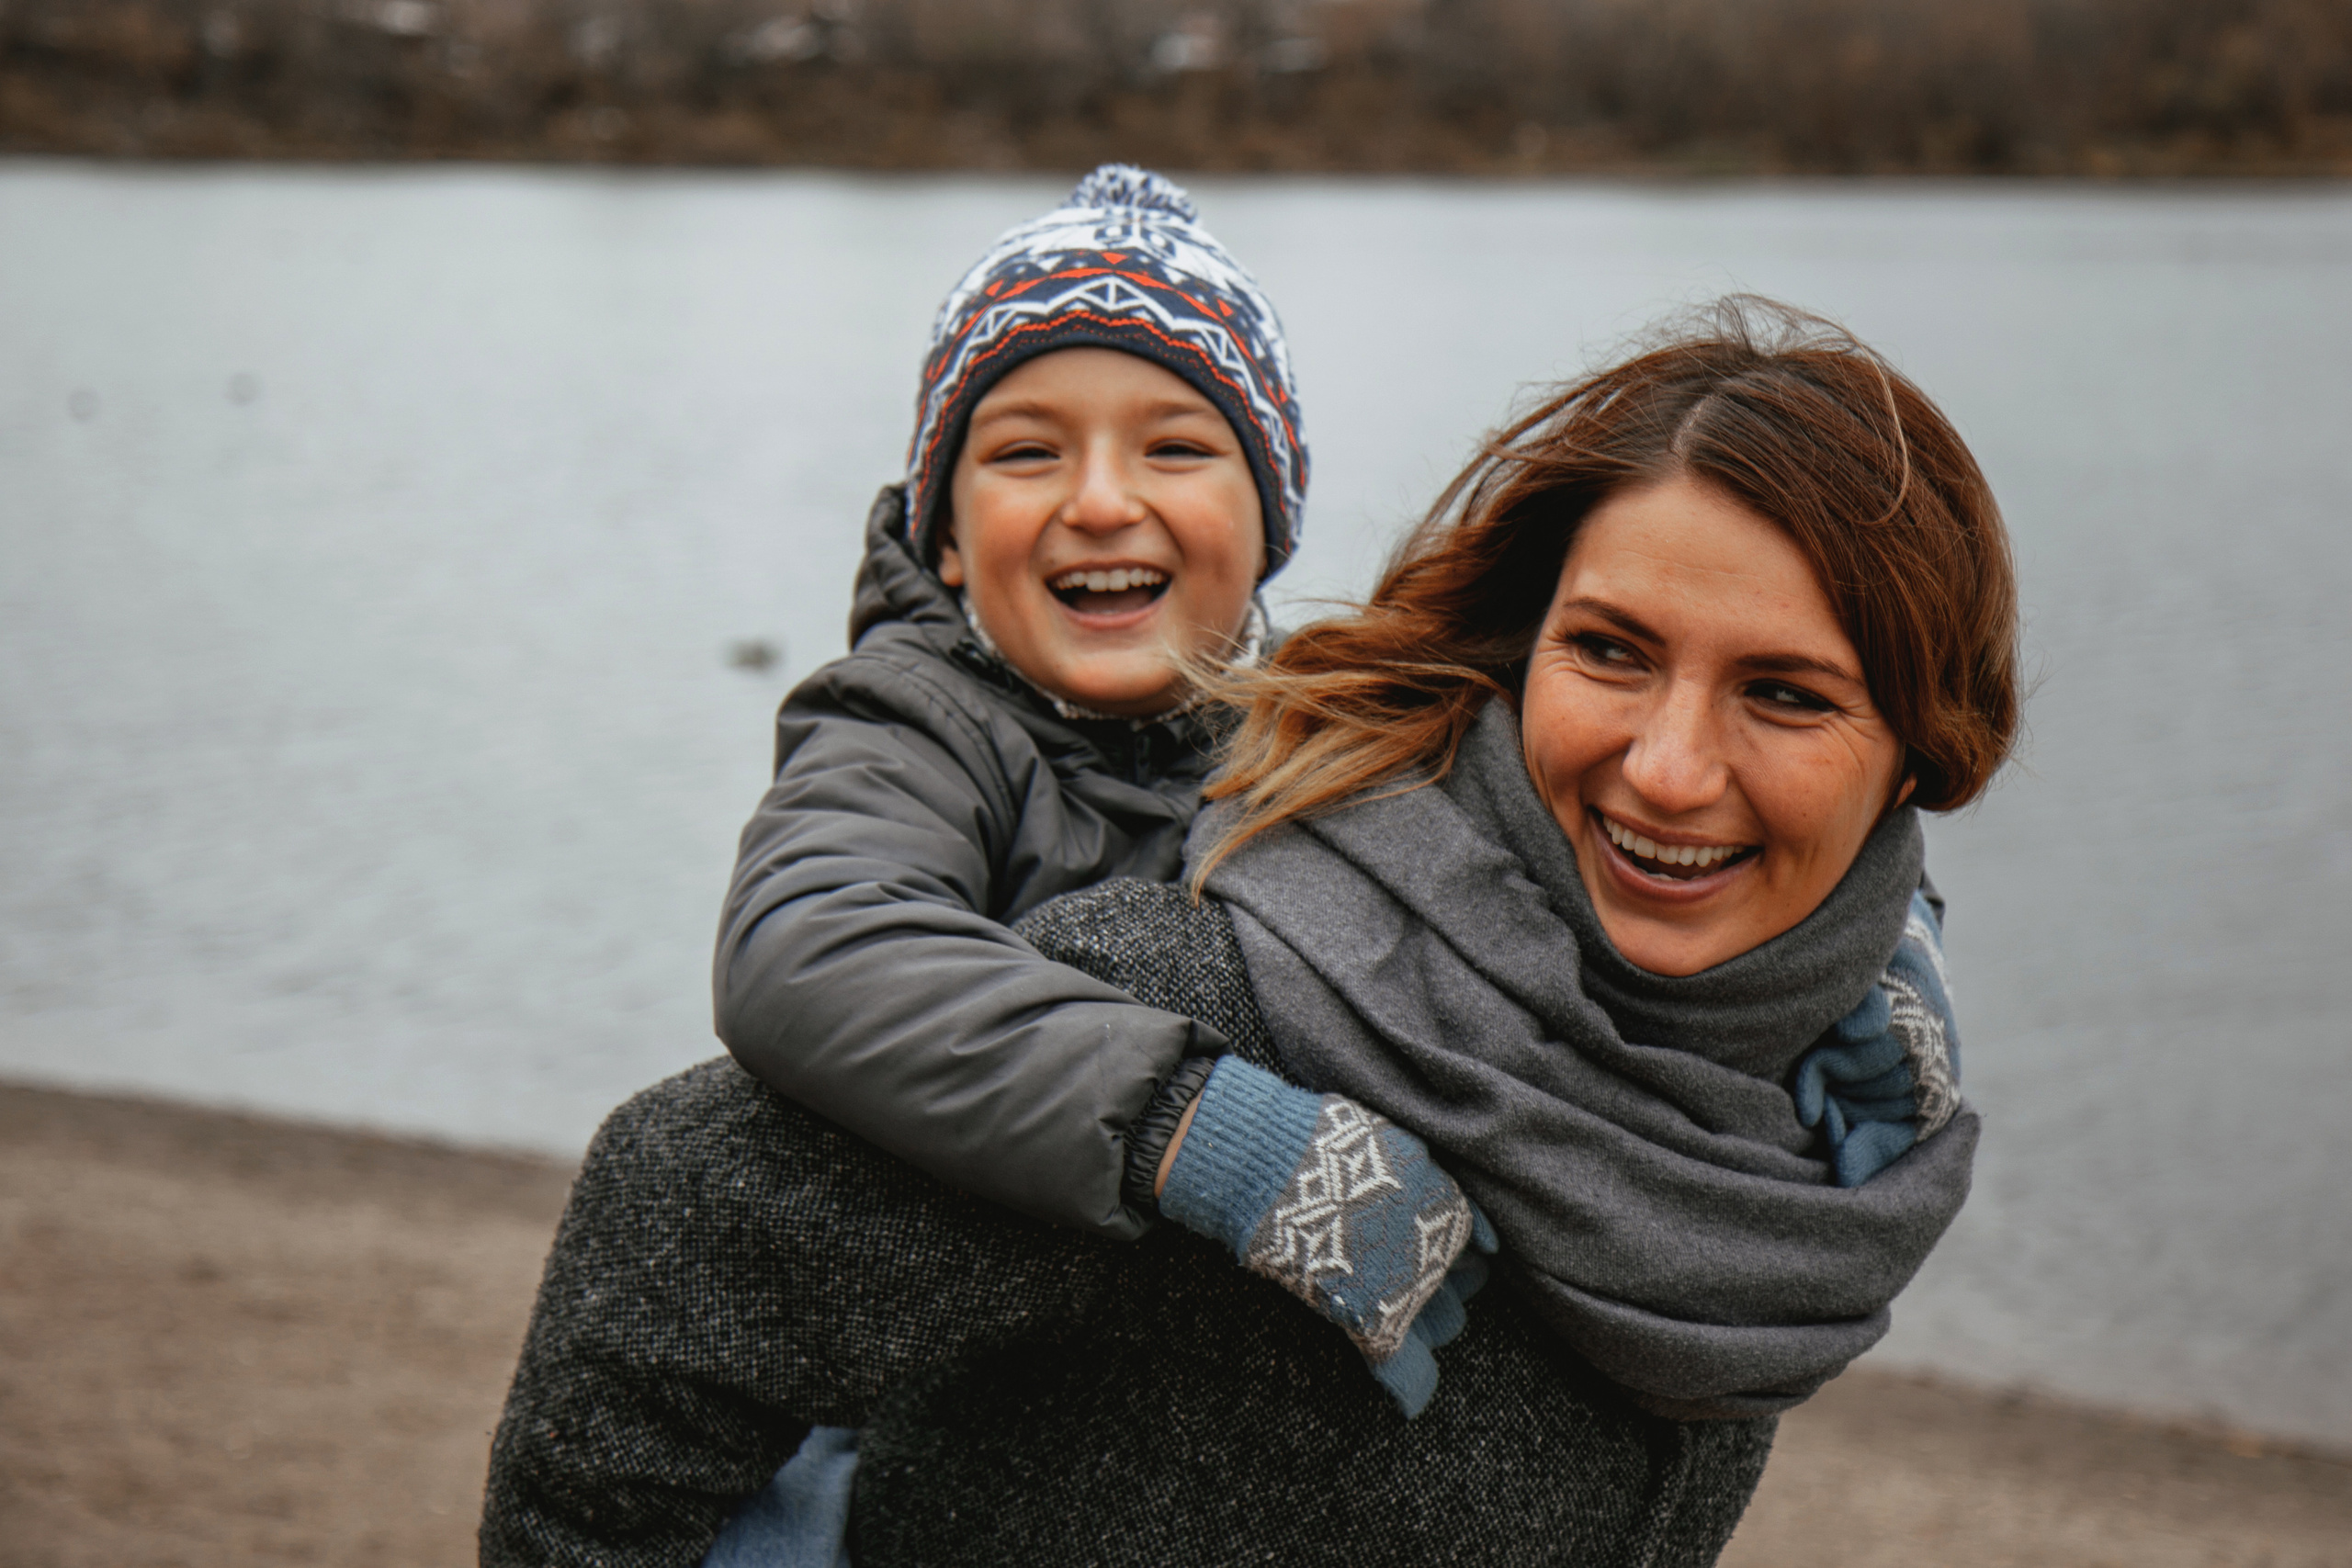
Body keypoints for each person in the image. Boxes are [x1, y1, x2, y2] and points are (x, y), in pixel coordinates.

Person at [481, 299, 2015, 1568]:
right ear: (1524, 647)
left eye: (1788, 692)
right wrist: (1186, 1128)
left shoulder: (1821, 1100)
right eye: (1609, 652)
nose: (1669, 768)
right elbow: (669, 1219)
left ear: (1922, 749)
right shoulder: (1224, 999)